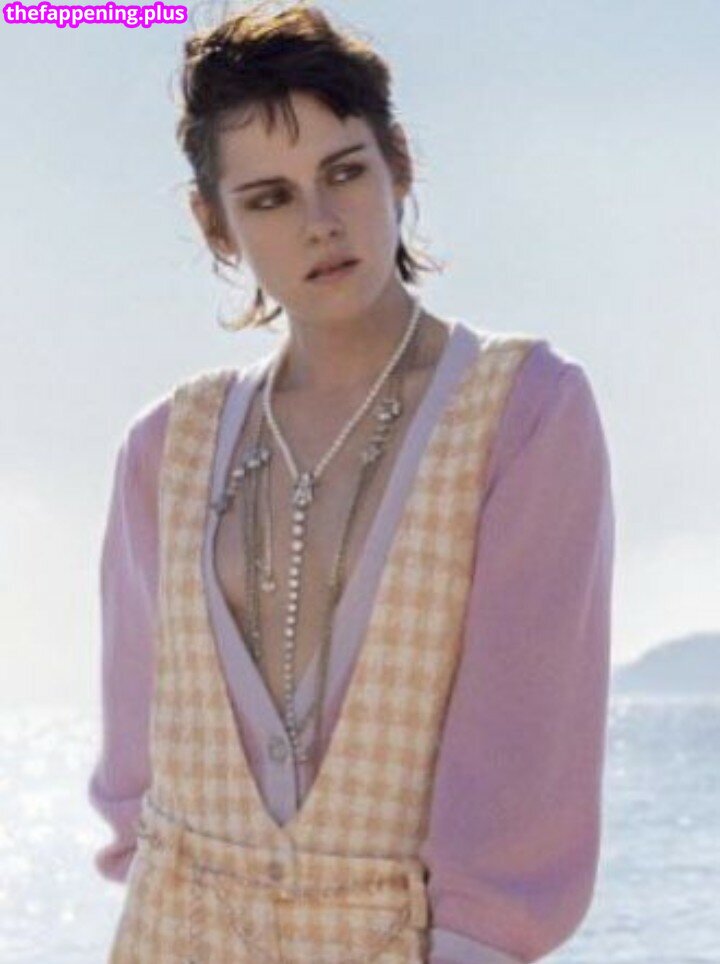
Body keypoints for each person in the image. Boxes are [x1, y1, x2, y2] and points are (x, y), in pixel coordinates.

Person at [87, 3, 615, 962]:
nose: (321, 225)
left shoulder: (524, 413)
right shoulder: (165, 448)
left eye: (344, 172)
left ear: (397, 165)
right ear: (215, 225)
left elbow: (521, 768)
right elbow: (138, 775)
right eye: (269, 199)